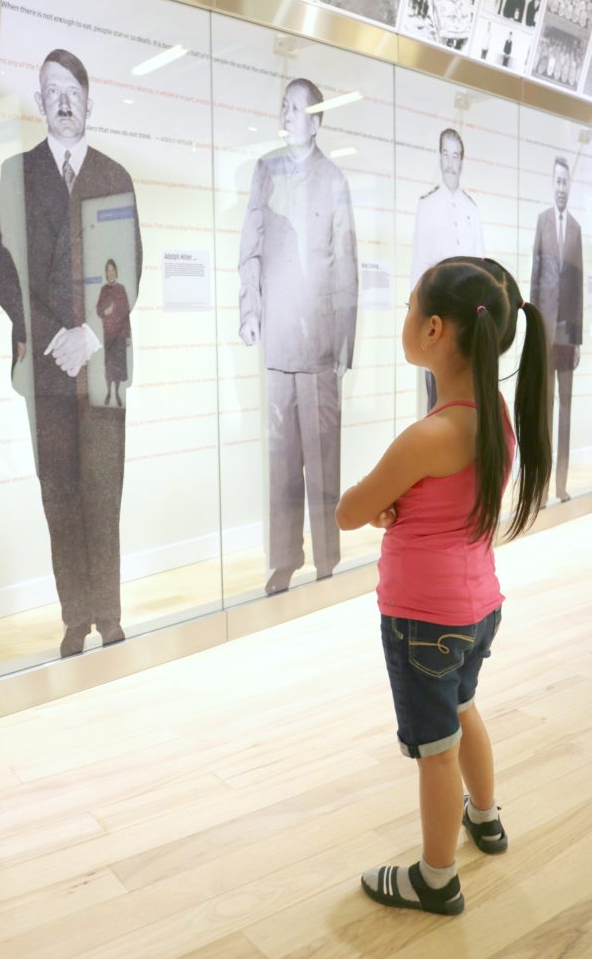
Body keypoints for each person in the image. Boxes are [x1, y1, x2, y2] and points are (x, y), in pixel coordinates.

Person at [336, 257, 551, 915]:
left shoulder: (426, 435)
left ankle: (434, 879)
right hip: (478, 609)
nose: (401, 320)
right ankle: (484, 818)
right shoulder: (497, 419)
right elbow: (438, 502)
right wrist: (396, 504)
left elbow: (348, 511)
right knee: (460, 709)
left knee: (434, 753)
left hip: (421, 622)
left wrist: (382, 504)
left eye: (406, 309)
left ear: (432, 330)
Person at [0, 48, 143, 658]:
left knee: (104, 493)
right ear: (40, 101)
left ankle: (109, 614)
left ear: (88, 99)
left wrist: (95, 335)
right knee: (61, 495)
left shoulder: (115, 176)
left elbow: (132, 269)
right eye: (52, 88)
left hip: (102, 368)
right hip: (47, 366)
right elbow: (1, 270)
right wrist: (58, 334)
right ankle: (75, 618)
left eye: (73, 88)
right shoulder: (15, 173)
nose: (63, 99)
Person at [238, 77, 358, 596]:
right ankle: (284, 558)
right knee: (281, 459)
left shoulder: (334, 179)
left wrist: (345, 345)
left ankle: (328, 559)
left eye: (296, 109)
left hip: (321, 345)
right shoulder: (265, 171)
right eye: (283, 106)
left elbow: (346, 263)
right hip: (280, 342)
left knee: (323, 456)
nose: (286, 115)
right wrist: (250, 310)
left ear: (317, 120)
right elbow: (251, 247)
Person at [410, 129, 485, 409]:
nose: (450, 163)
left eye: (456, 156)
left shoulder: (471, 209)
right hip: (436, 322)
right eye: (446, 154)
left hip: (467, 323)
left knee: (466, 399)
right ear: (439, 158)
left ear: (461, 161)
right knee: (436, 402)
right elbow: (418, 268)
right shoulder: (427, 205)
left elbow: (482, 270)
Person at [530, 156, 584, 502]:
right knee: (544, 408)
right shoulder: (542, 222)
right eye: (558, 182)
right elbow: (535, 280)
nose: (561, 188)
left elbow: (578, 290)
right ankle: (541, 484)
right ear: (552, 184)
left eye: (566, 182)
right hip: (546, 332)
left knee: (565, 408)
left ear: (570, 186)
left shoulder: (577, 229)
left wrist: (577, 340)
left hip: (567, 335)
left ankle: (561, 485)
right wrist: (534, 331)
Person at [97, 258, 131, 408]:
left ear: (116, 271)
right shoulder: (104, 290)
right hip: (108, 335)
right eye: (108, 270)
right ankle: (108, 391)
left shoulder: (121, 289)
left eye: (112, 270)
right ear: (106, 273)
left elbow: (127, 313)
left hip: (120, 335)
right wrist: (105, 311)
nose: (110, 273)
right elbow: (98, 310)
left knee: (118, 367)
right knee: (109, 366)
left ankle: (117, 392)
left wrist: (128, 335)